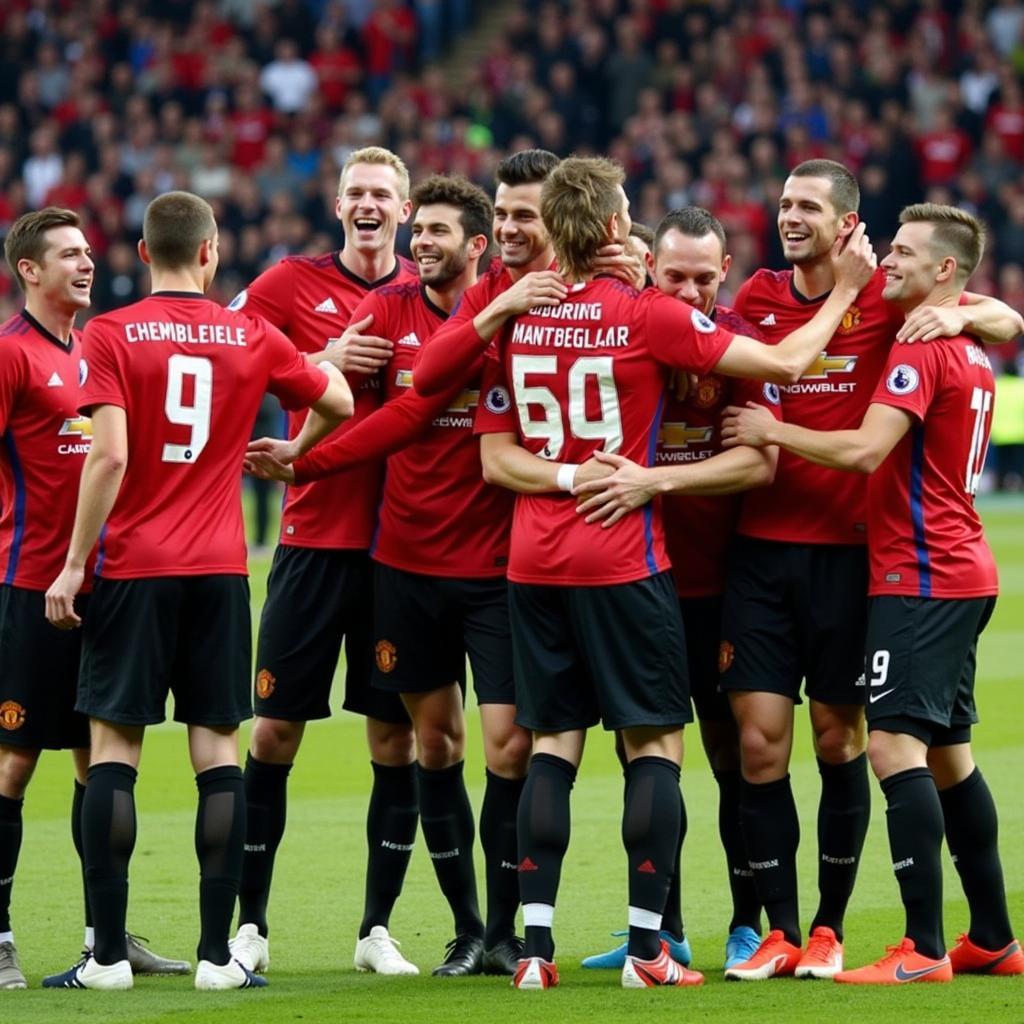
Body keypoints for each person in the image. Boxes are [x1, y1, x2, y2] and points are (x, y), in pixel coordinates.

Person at [472, 156, 877, 991]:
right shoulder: (648, 315)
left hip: (536, 557)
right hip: (626, 559)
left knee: (553, 743)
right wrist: (844, 293)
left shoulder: (515, 316)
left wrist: (561, 478)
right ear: (624, 232)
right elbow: (787, 367)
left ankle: (536, 953)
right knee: (657, 744)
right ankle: (654, 950)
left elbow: (487, 446)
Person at [718, 160, 1024, 982]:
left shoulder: (913, 334)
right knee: (949, 753)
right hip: (943, 565)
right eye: (782, 202)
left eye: (902, 254)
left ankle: (921, 947)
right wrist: (967, 310)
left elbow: (862, 450)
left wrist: (774, 434)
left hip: (908, 571)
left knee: (887, 749)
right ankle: (991, 935)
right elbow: (997, 316)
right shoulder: (921, 323)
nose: (888, 263)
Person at [42, 191, 353, 991]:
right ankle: (219, 957)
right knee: (217, 753)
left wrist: (75, 563)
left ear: (143, 255)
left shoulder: (109, 334)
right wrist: (291, 451)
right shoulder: (250, 332)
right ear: (211, 252)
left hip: (134, 569)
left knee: (114, 752)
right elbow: (339, 400)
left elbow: (106, 458)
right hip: (218, 570)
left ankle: (106, 957)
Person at [245, 174, 530, 976]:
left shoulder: (507, 301)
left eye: (437, 227)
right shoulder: (360, 306)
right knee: (365, 737)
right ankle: (259, 929)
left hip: (478, 564)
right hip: (371, 558)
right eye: (421, 231)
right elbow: (369, 410)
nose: (420, 240)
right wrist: (305, 439)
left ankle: (479, 929)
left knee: (475, 746)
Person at [224, 147, 421, 978]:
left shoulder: (427, 290)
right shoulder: (285, 286)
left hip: (400, 556)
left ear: (404, 211)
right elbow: (217, 341)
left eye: (383, 193)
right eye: (357, 193)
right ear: (338, 207)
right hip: (310, 548)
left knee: (394, 743)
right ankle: (250, 926)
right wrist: (325, 363)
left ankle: (376, 929)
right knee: (272, 733)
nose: (369, 204)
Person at [574, 208, 779, 972]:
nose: (690, 290)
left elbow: (760, 461)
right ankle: (663, 931)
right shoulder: (628, 334)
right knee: (645, 759)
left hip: (726, 589)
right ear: (648, 268)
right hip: (640, 585)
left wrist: (657, 478)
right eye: (675, 275)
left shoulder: (738, 348)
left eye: (703, 276)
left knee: (732, 755)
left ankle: (747, 925)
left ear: (724, 271)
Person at [0, 207, 188, 990]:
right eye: (67, 255)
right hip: (26, 586)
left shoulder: (97, 351)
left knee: (95, 763)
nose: (86, 263)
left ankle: (102, 939)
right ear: (29, 271)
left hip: (104, 587)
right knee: (12, 764)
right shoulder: (12, 356)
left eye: (88, 252)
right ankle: (0, 937)